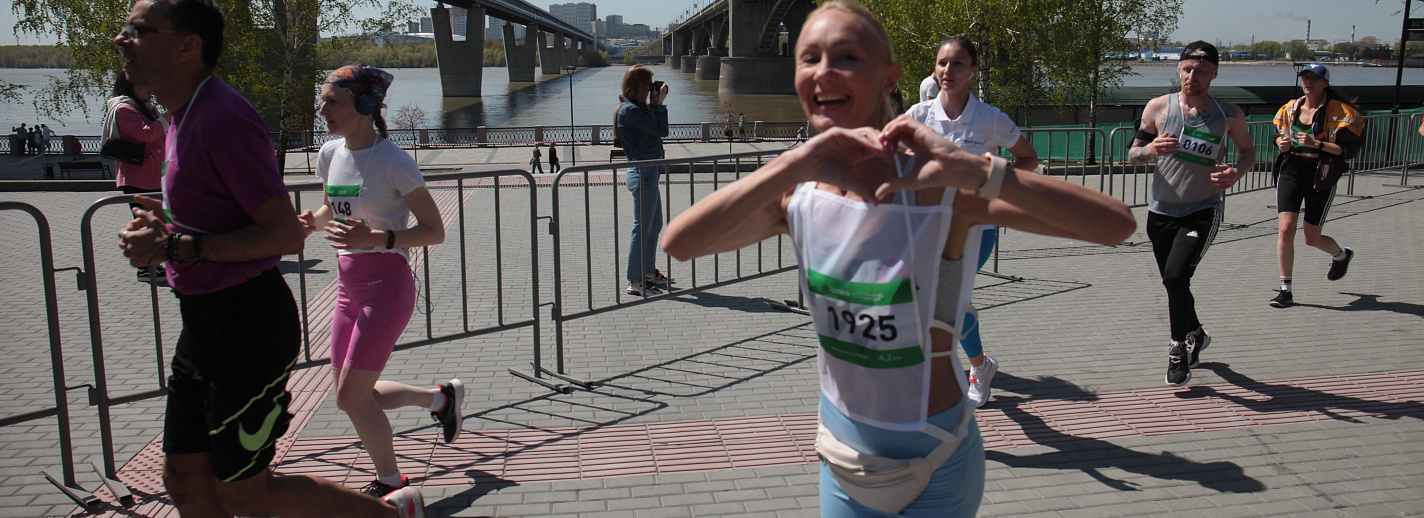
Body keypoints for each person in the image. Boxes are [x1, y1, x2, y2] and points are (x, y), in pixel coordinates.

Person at [660, 2, 1136, 515]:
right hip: (842, 456)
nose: (824, 72)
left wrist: (974, 170)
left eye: (846, 57)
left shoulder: (941, 190)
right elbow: (680, 244)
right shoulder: (797, 194)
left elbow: (1114, 225)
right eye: (809, 58)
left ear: (889, 78)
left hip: (936, 457)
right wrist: (795, 162)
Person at [113, 1, 424, 516]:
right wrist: (166, 223)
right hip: (214, 318)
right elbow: (320, 209)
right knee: (185, 480)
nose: (122, 39)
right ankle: (434, 405)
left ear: (188, 45)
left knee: (250, 488)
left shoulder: (220, 118)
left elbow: (281, 235)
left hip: (254, 322)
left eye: (140, 30)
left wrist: (177, 247)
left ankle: (395, 500)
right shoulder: (186, 117)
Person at [298, 64, 464, 498]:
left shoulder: (394, 161)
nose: (322, 110)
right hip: (347, 289)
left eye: (332, 102)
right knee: (351, 393)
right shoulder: (330, 153)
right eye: (322, 102)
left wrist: (379, 238)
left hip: (386, 288)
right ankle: (441, 399)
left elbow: (435, 231)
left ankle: (392, 483)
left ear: (365, 105)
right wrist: (311, 222)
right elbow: (334, 208)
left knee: (352, 397)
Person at [904, 35, 1041, 408]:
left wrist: (994, 177)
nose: (947, 70)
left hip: (976, 228)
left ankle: (979, 368)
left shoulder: (990, 119)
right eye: (942, 63)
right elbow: (893, 162)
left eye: (957, 64)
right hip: (930, 226)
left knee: (953, 300)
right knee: (931, 301)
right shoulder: (918, 116)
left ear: (973, 71)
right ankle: (958, 364)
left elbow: (1029, 159)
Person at [1127, 41, 1255, 386]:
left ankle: (1177, 349)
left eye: (1200, 71)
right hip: (1161, 212)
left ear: (1214, 73)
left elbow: (1248, 152)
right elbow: (1132, 154)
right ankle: (1196, 333)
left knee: (1175, 276)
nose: (1192, 76)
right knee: (1176, 282)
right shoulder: (1158, 107)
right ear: (1179, 69)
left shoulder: (1229, 113)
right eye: (1187, 69)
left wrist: (1236, 173)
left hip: (1202, 209)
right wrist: (1151, 149)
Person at [1268, 63, 1364, 308]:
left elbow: (1347, 150)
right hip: (1291, 169)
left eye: (1314, 78)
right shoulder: (1290, 108)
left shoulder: (1342, 112)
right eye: (1305, 78)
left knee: (1311, 238)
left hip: (1320, 174)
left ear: (1325, 83)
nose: (1308, 82)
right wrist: (1280, 143)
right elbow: (1277, 134)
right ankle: (1285, 290)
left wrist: (1316, 144)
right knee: (1285, 229)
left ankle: (1341, 255)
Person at [617, 64, 674, 296]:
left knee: (654, 224)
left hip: (649, 172)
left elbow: (654, 130)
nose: (652, 89)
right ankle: (635, 280)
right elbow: (662, 130)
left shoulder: (637, 109)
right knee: (641, 228)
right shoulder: (629, 110)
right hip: (642, 173)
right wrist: (659, 104)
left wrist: (653, 104)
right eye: (649, 85)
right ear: (639, 86)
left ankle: (648, 272)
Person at [106, 74, 169, 281]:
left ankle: (154, 264)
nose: (147, 89)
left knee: (156, 222)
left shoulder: (144, 107)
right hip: (139, 176)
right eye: (143, 85)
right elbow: (147, 134)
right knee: (145, 223)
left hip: (153, 174)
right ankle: (145, 269)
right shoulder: (124, 109)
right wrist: (166, 117)